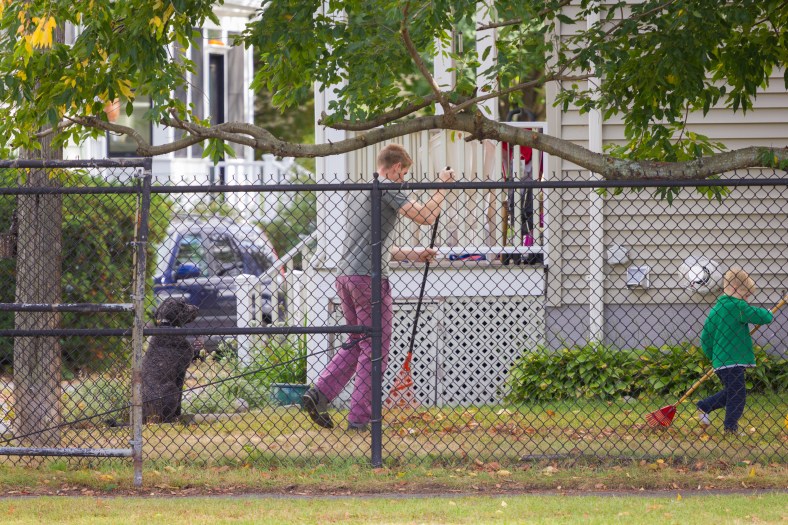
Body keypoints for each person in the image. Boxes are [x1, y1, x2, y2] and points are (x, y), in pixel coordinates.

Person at [303, 144, 454, 431]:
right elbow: (425, 216)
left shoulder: (364, 191)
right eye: (405, 173)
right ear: (396, 167)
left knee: (358, 341)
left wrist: (415, 253)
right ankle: (361, 419)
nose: (404, 179)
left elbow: (376, 246)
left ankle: (319, 393)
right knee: (375, 349)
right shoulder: (387, 186)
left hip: (346, 278)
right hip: (369, 281)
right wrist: (442, 186)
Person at [696, 268, 773, 434]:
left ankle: (705, 405)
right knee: (738, 395)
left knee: (732, 392)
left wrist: (714, 356)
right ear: (736, 289)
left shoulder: (715, 310)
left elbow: (705, 338)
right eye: (746, 296)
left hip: (721, 361)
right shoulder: (738, 306)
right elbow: (761, 317)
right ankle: (730, 428)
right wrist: (768, 313)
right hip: (733, 360)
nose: (746, 300)